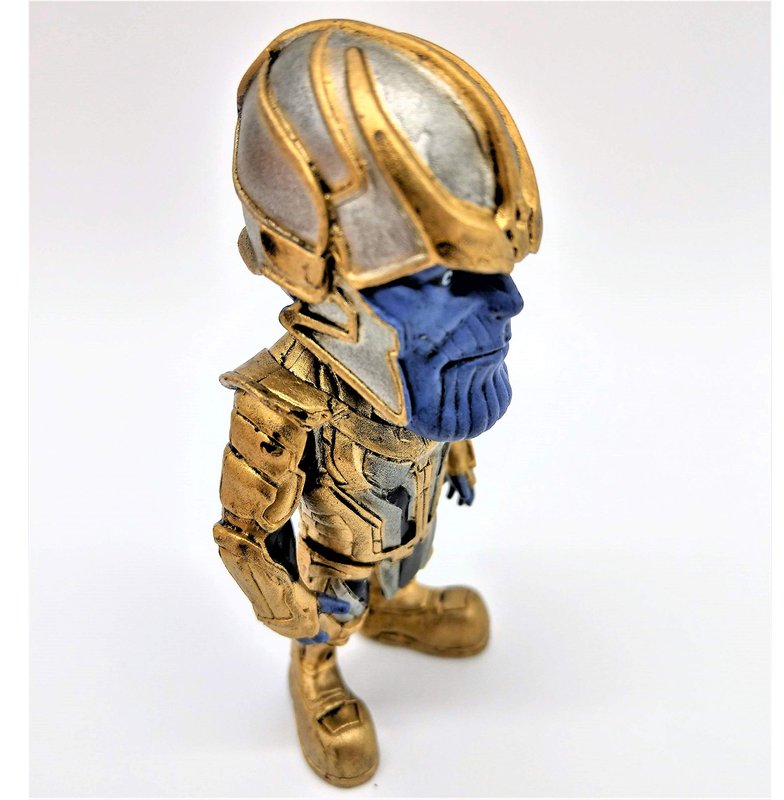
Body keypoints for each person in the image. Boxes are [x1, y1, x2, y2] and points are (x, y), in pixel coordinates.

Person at [213, 19, 542, 787]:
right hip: (336, 556)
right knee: (335, 610)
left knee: (401, 566)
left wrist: (456, 450)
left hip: (405, 515)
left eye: (497, 273)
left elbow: (442, 407)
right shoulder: (285, 400)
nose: (508, 305)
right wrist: (292, 608)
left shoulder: (423, 377)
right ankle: (315, 670)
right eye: (444, 283)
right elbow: (247, 535)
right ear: (319, 276)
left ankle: (394, 605)